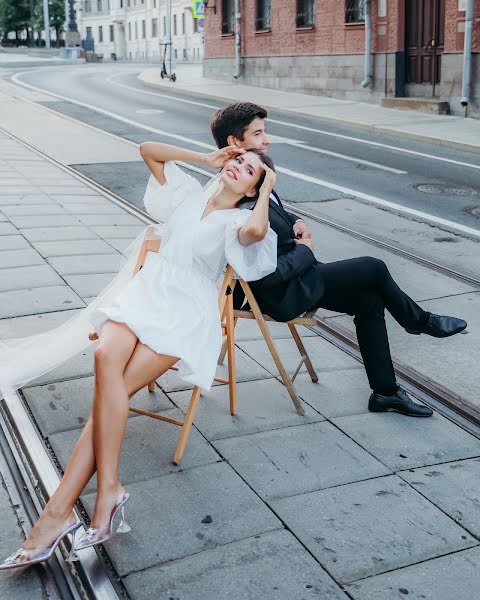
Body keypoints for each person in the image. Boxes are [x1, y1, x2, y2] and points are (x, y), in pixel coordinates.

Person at [0, 142, 278, 570]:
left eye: (250, 171)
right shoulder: (189, 192)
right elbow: (149, 150)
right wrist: (206, 159)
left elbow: (256, 236)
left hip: (183, 313)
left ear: (253, 189)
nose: (239, 167)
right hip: (146, 292)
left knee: (105, 403)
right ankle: (108, 489)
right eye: (238, 159)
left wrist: (266, 191)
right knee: (104, 358)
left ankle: (53, 520)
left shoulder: (241, 219)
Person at [210, 102, 467, 418]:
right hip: (282, 293)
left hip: (302, 277)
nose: (267, 140)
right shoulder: (234, 194)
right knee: (373, 267)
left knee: (369, 301)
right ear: (235, 143)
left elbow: (272, 209)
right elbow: (261, 275)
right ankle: (420, 322)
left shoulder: (253, 175)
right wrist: (305, 251)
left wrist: (294, 221)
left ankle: (386, 394)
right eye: (258, 133)